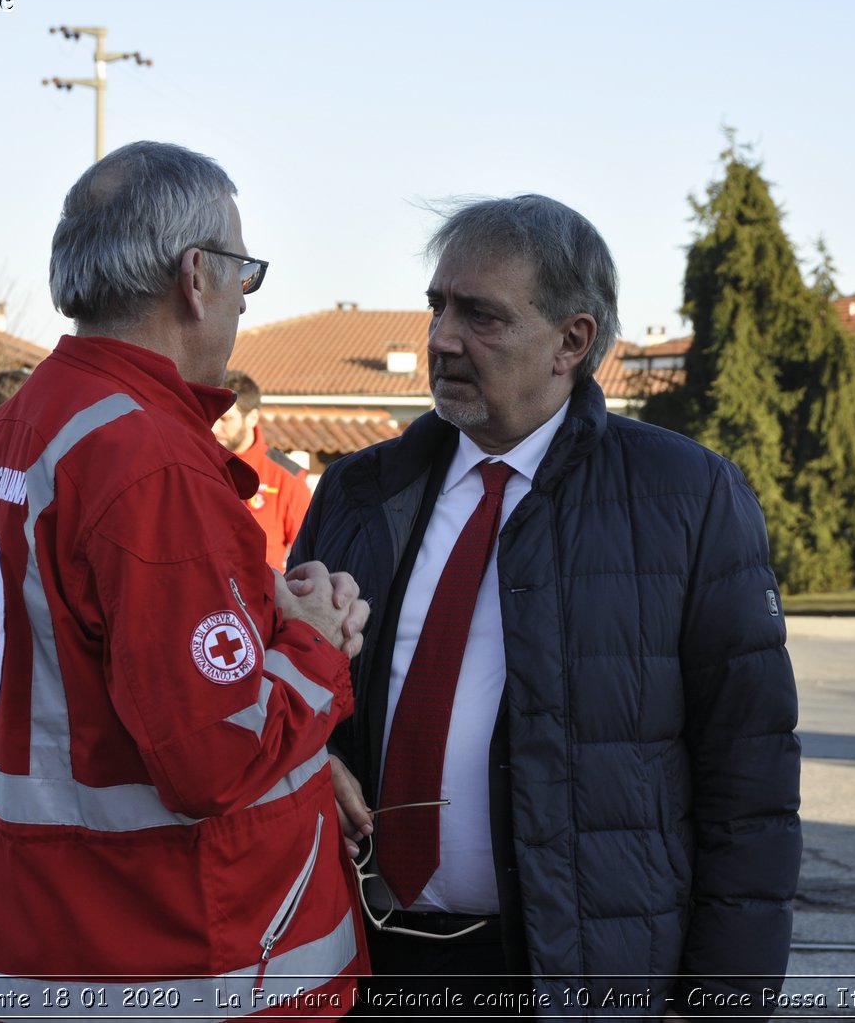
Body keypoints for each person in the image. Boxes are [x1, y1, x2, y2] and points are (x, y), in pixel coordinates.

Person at [289, 195, 802, 1019]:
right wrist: (313, 758)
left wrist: (718, 1003)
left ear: (573, 340)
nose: (443, 338)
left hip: (570, 973)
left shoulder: (687, 497)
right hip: (361, 959)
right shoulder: (359, 490)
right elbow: (285, 696)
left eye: (481, 316)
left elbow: (751, 777)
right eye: (438, 306)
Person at [0, 141, 369, 1019]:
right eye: (245, 275)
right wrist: (313, 640)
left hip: (30, 934)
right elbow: (215, 759)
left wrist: (260, 614)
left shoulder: (13, 431)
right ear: (195, 276)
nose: (244, 305)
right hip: (165, 950)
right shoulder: (146, 457)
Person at [214, 369, 313, 570]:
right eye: (213, 418)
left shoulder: (286, 477)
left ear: (252, 418)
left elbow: (310, 556)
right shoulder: (198, 462)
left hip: (261, 597)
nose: (214, 428)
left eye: (225, 419)